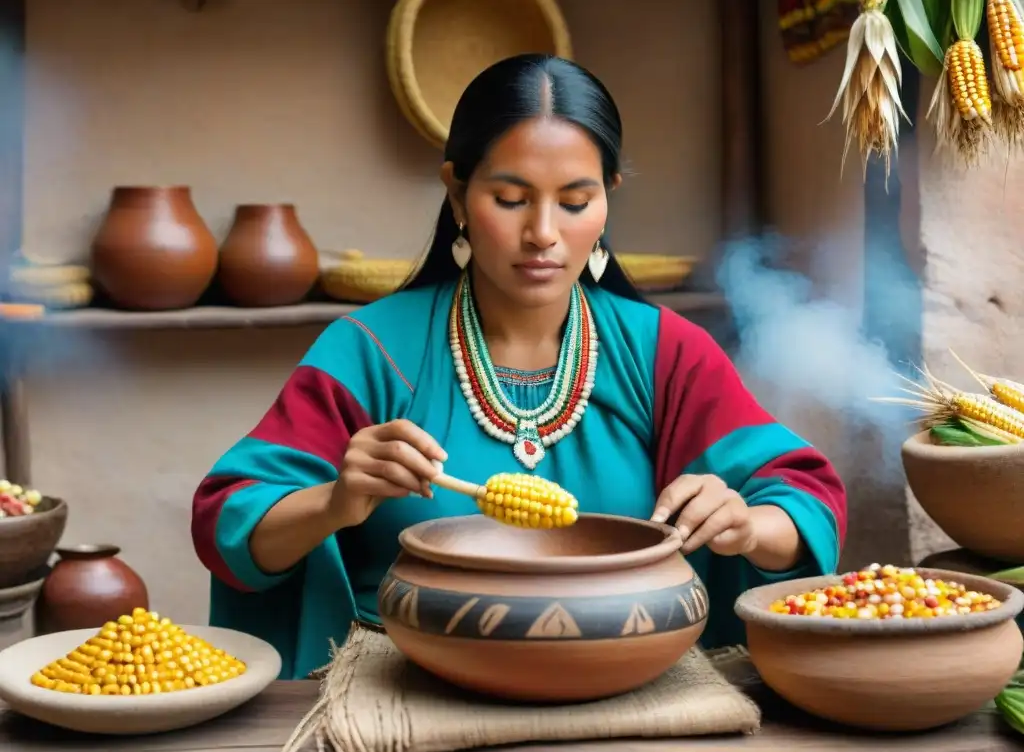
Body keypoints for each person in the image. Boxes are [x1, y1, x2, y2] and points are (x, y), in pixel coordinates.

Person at [191, 54, 847, 681]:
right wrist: (336, 502)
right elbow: (232, 525)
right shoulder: (369, 349)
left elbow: (807, 503)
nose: (543, 233)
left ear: (608, 198)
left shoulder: (667, 353)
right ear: (457, 191)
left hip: (622, 682)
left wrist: (745, 524)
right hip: (400, 686)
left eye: (575, 201)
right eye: (510, 199)